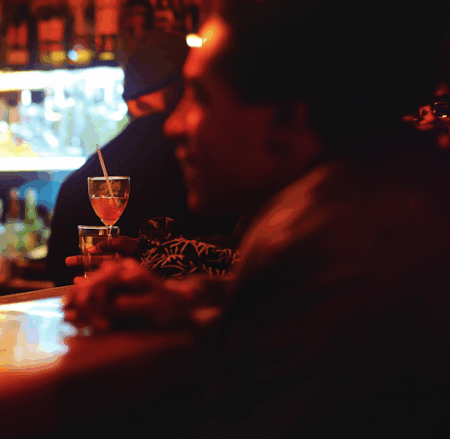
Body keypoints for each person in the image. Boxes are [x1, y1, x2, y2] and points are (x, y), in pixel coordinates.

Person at [66, 0, 450, 436]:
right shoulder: (393, 190)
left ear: (286, 121)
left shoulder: (323, 245)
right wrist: (186, 302)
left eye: (199, 97)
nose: (174, 126)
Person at [46, 32, 237, 286]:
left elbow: (58, 276)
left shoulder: (79, 181)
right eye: (198, 93)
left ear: (130, 98)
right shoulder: (221, 166)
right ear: (180, 89)